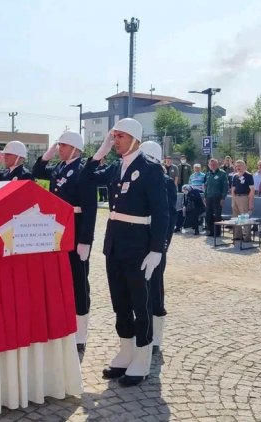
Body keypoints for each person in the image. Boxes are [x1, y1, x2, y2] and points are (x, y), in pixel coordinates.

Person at [80, 118, 168, 387]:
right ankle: (126, 351)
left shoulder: (150, 169)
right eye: (113, 136)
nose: (114, 139)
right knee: (120, 303)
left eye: (119, 136)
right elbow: (86, 178)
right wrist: (101, 151)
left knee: (140, 303)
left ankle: (142, 356)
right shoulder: (117, 167)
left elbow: (161, 213)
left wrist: (156, 250)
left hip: (138, 247)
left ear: (134, 139)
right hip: (115, 245)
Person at [33, 132, 97, 353]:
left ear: (76, 148)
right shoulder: (60, 167)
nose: (60, 148)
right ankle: (65, 325)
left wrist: (86, 240)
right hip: (59, 230)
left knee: (79, 281)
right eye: (59, 145)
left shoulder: (83, 169)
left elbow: (91, 209)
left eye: (64, 145)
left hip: (76, 229)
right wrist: (47, 154)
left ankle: (81, 333)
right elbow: (38, 171)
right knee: (62, 279)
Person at [138, 141, 176, 356]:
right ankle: (143, 329)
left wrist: (161, 247)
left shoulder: (166, 181)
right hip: (140, 242)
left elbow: (168, 217)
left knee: (155, 288)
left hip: (156, 244)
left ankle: (156, 336)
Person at [230, 160, 255, 241]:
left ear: (244, 166)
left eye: (240, 165)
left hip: (244, 197)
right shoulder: (235, 176)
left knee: (244, 217)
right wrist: (233, 200)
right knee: (235, 217)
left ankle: (247, 237)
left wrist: (250, 202)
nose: (238, 167)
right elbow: (233, 189)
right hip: (236, 198)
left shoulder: (249, 175)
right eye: (236, 166)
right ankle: (237, 236)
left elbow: (252, 190)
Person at [204, 158, 228, 237]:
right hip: (209, 197)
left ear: (218, 165)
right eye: (211, 165)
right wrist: (205, 196)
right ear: (209, 165)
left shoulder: (222, 173)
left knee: (217, 215)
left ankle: (217, 232)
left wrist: (223, 198)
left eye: (214, 164)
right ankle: (210, 231)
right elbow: (206, 186)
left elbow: (225, 186)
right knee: (208, 215)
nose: (212, 166)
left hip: (217, 197)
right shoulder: (208, 174)